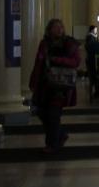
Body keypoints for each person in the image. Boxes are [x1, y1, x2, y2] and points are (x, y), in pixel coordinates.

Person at [29, 19, 81, 153]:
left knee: (53, 114)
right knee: (41, 112)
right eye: (56, 27)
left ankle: (51, 144)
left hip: (61, 86)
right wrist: (33, 81)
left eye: (61, 27)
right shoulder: (44, 44)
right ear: (49, 29)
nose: (59, 29)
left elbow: (76, 61)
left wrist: (57, 60)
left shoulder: (69, 43)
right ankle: (60, 134)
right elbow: (38, 63)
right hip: (45, 85)